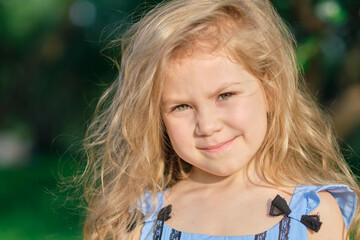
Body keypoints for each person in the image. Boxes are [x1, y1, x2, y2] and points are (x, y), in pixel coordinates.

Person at [81, 0, 359, 239]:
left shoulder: (311, 216)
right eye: (181, 106)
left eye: (225, 95)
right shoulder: (139, 220)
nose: (208, 126)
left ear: (271, 92)